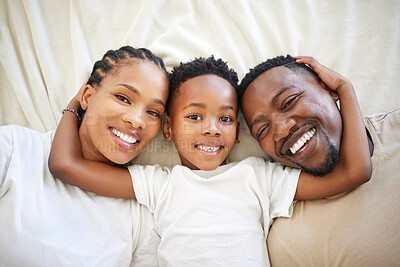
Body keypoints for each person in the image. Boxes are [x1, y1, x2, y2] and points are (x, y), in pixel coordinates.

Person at [49, 56, 371, 266]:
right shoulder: (159, 183)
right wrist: (75, 106)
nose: (211, 129)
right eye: (194, 116)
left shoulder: (258, 177)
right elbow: (65, 166)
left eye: (226, 119)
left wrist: (344, 89)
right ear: (169, 129)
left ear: (238, 132)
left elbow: (354, 171)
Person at [0, 45, 169, 266]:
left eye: (152, 112)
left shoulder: (141, 211)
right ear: (87, 96)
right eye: (123, 98)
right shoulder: (15, 148)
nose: (137, 120)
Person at [239, 55, 400, 265]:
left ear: (330, 89)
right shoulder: (290, 245)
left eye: (289, 102)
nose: (281, 129)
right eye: (263, 129)